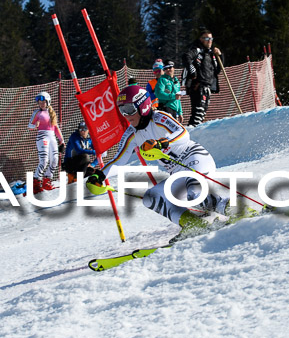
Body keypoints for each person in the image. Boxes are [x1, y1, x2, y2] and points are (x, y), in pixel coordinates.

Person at [87, 85, 230, 238]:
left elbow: (183, 134)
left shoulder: (159, 118)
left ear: (142, 105)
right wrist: (100, 176)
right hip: (177, 172)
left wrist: (162, 143)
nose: (126, 115)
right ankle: (193, 224)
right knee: (151, 197)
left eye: (129, 109)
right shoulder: (131, 133)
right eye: (122, 110)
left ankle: (236, 208)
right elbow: (119, 159)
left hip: (194, 159)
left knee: (196, 196)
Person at [181, 30, 222, 126]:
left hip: (207, 85)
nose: (209, 41)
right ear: (201, 39)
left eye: (211, 39)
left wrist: (220, 55)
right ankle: (191, 131)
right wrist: (193, 71)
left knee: (202, 113)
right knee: (198, 112)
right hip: (198, 85)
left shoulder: (211, 54)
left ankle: (195, 131)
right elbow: (186, 57)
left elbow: (218, 70)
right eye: (207, 38)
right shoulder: (198, 50)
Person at [28, 91, 64, 193]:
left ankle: (47, 180)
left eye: (43, 102)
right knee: (44, 161)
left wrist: (62, 140)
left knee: (55, 160)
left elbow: (56, 127)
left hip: (52, 137)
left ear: (48, 102)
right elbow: (29, 125)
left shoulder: (52, 113)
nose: (41, 104)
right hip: (42, 136)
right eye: (39, 102)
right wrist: (35, 126)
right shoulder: (37, 113)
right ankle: (35, 182)